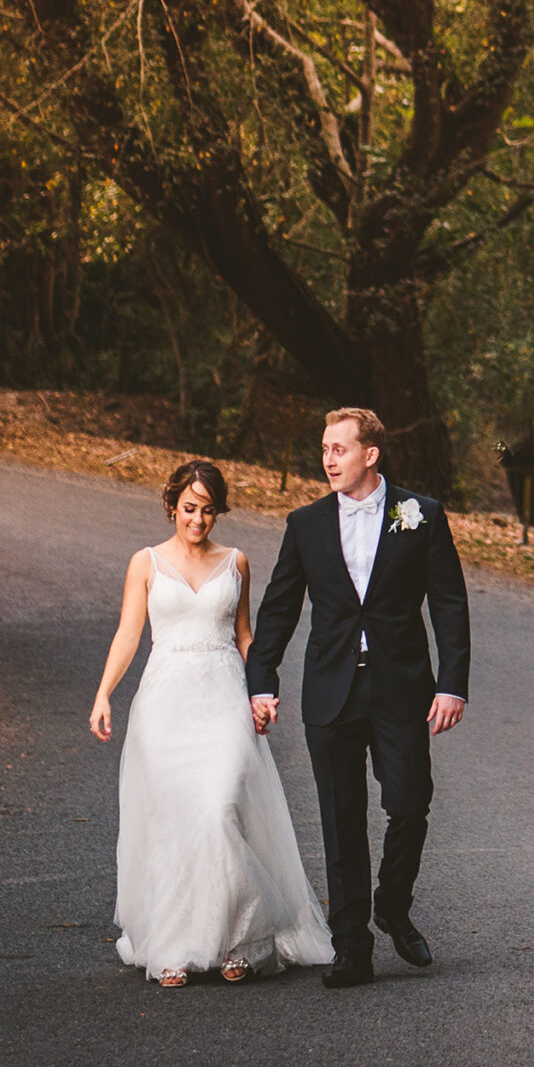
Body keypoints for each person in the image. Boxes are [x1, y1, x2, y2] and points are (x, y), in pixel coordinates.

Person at [244, 407, 470, 990]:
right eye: (324, 448)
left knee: (410, 801)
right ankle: (352, 946)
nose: (328, 459)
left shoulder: (421, 516)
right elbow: (279, 609)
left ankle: (392, 905)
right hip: (331, 689)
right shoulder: (306, 524)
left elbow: (448, 604)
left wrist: (451, 684)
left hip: (401, 687)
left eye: (339, 448)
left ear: (370, 454)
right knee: (341, 820)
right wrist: (261, 678)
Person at [90, 457, 332, 988]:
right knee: (176, 820)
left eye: (208, 511)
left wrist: (262, 691)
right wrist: (104, 694)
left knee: (220, 807)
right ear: (172, 506)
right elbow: (129, 634)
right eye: (189, 509)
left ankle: (243, 936)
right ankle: (174, 942)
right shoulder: (146, 562)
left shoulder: (236, 562)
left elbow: (246, 636)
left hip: (224, 697)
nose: (198, 521)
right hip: (165, 704)